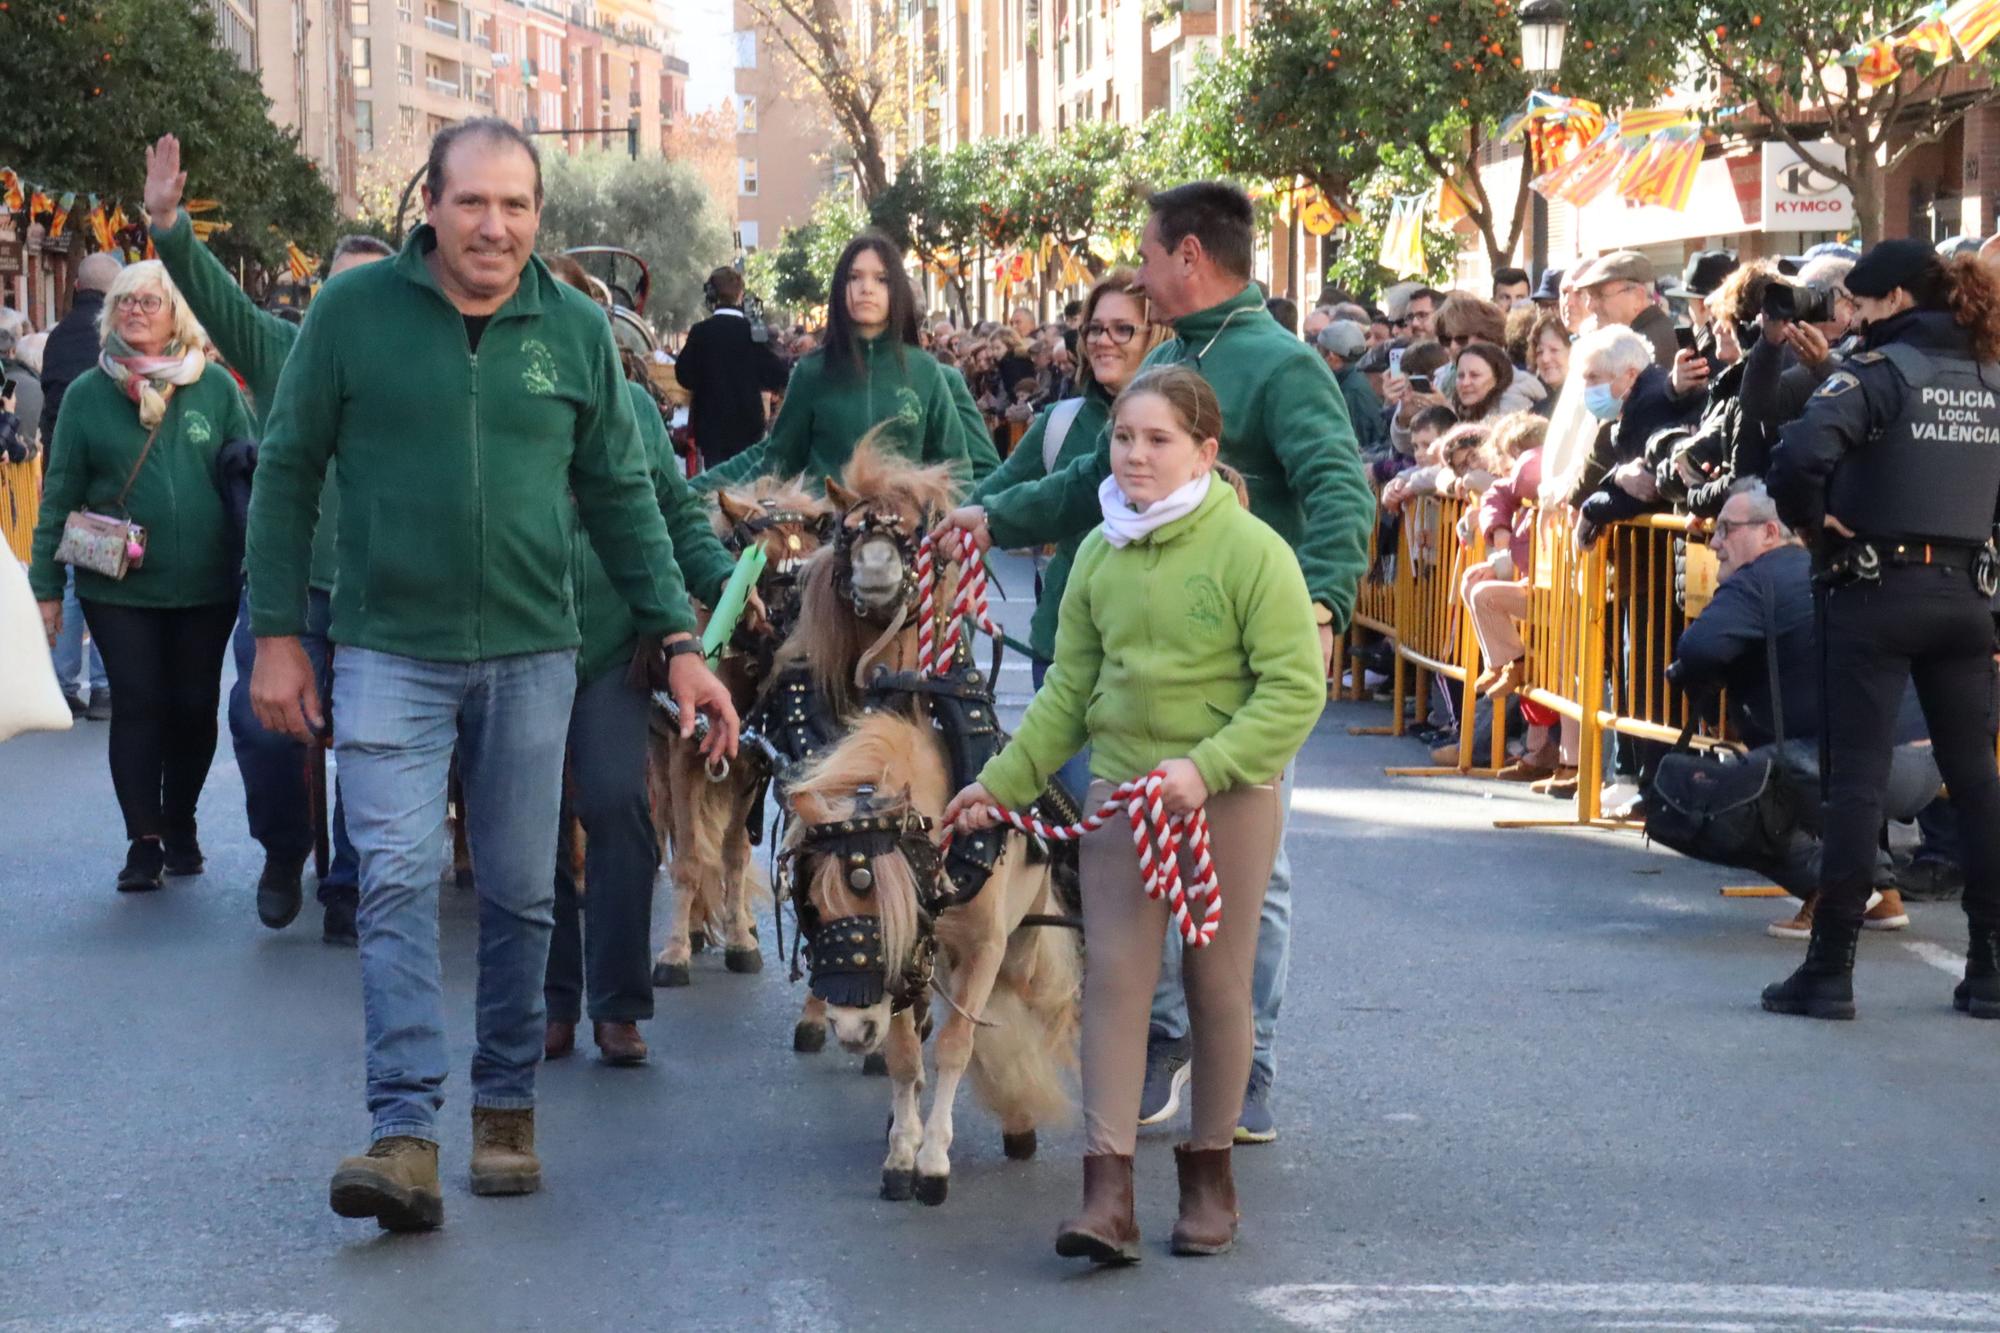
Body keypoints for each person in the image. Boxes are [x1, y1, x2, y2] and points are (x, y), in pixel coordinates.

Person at [244, 119, 738, 1230]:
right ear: (432, 203)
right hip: (386, 651)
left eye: (516, 206)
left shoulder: (567, 332)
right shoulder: (349, 316)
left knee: (519, 890)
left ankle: (505, 1105)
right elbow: (286, 471)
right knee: (396, 876)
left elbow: (624, 495)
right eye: (473, 203)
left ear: (537, 216)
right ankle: (406, 1130)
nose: (495, 225)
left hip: (533, 656)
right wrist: (278, 632)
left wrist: (679, 643)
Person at [941, 180, 1373, 1144]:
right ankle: (1170, 1047)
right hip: (1143, 669)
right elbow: (1097, 480)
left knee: (1257, 881)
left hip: (1251, 665)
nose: (1136, 265)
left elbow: (1339, 486)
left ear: (1186, 254)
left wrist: (1324, 599)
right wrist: (990, 515)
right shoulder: (1170, 357)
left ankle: (1248, 1064)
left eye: (1145, 248)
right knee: (1140, 868)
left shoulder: (1282, 364)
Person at [944, 365, 1324, 1263]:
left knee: (1216, 985)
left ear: (1204, 451)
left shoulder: (1252, 551)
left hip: (1224, 798)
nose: (1138, 456)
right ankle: (1105, 1193)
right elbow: (1068, 690)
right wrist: (999, 783)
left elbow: (1294, 686)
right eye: (1124, 439)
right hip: (1121, 789)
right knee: (1114, 980)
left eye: (1158, 440)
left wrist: (1210, 766)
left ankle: (1208, 1174)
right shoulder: (1098, 556)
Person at [144, 131, 393, 942]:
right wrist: (168, 225)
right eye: (342, 293)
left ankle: (351, 883)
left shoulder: (413, 366)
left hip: (381, 592)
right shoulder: (284, 351)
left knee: (370, 739)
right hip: (287, 585)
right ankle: (285, 850)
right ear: (322, 299)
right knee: (261, 727)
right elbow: (216, 300)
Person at [1761, 239, 2000, 1022]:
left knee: (1855, 783)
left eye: (1859, 306)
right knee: (1978, 783)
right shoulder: (1991, 374)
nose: (1850, 321)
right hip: (1966, 595)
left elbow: (1797, 456)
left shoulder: (1878, 373)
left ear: (1895, 300)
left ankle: (1830, 969)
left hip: (1873, 591)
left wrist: (1816, 530)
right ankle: (1991, 968)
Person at [541, 256, 736, 1069]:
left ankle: (617, 1002)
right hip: (514, 642)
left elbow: (677, 518)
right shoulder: (509, 406)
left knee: (621, 805)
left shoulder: (633, 414)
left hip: (612, 650)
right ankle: (549, 1000)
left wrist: (726, 584)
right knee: (530, 823)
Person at [29, 260, 252, 892]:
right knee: (138, 705)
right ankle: (144, 841)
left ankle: (180, 818)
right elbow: (59, 495)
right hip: (117, 585)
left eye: (150, 301)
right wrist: (45, 588)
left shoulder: (214, 389)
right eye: (125, 301)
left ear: (176, 314)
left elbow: (247, 475)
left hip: (207, 584)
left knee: (193, 709)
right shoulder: (87, 395)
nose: (134, 310)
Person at [969, 267, 1164, 801]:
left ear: (1157, 336)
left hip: (1160, 659)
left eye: (1123, 329)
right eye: (1095, 328)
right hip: (1065, 650)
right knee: (1085, 832)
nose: (1103, 340)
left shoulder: (1190, 422)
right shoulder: (1060, 421)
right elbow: (990, 498)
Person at [693, 233, 999, 492]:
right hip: (824, 540)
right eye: (854, 277)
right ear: (841, 288)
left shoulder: (927, 372)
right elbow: (775, 462)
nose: (866, 288)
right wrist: (705, 499)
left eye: (881, 279)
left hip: (907, 544)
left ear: (897, 293)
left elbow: (959, 472)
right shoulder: (811, 372)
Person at [40, 252, 121, 719]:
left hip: (60, 472)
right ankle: (107, 686)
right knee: (109, 576)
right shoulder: (112, 336)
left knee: (68, 580)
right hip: (108, 476)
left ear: (73, 287)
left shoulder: (56, 338)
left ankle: (62, 684)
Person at [673, 265, 789, 468]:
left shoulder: (700, 332)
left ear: (711, 295)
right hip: (748, 427)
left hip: (710, 427)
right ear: (740, 295)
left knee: (715, 486)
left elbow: (683, 375)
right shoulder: (754, 332)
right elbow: (778, 374)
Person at [1577, 251, 1677, 368]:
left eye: (1600, 295)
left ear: (1638, 297)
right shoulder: (1650, 334)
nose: (1590, 306)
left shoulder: (1643, 346)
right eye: (1589, 296)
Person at [1314, 320, 1387, 454]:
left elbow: (1355, 443)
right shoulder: (1359, 377)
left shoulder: (1351, 391)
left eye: (1319, 351)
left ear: (1332, 356)